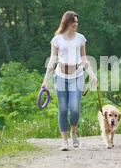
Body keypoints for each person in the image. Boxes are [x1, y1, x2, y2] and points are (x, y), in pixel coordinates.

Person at [41, 11, 98, 151]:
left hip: (77, 76)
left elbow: (84, 58)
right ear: (66, 22)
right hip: (60, 77)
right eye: (73, 22)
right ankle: (64, 141)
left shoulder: (80, 38)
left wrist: (91, 75)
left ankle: (73, 132)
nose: (76, 24)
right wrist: (45, 80)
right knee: (62, 109)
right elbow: (53, 60)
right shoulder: (57, 40)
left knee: (74, 108)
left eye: (77, 22)